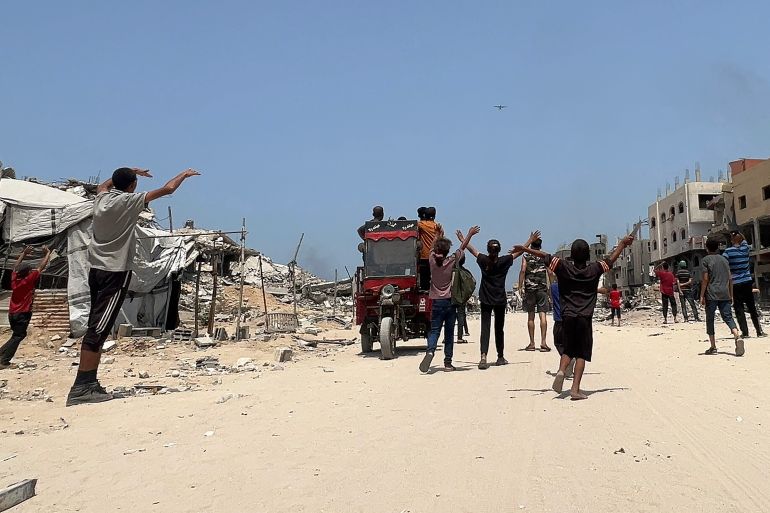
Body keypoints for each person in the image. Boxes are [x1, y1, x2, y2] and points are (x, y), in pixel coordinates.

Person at [66, 167, 200, 406]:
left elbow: (103, 186)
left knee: (96, 324)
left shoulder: (102, 199)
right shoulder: (128, 201)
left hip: (95, 269)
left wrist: (128, 169)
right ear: (132, 186)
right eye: (135, 181)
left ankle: (89, 381)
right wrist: (184, 174)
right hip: (114, 273)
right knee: (98, 328)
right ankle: (82, 386)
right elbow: (168, 189)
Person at [515, 234, 634, 400]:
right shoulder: (594, 269)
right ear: (588, 256)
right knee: (581, 354)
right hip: (584, 318)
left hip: (567, 316)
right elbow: (610, 261)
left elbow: (544, 256)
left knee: (568, 349)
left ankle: (561, 370)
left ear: (571, 255)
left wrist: (524, 248)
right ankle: (575, 389)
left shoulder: (564, 267)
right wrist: (622, 244)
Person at [461, 229, 540, 370]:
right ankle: (500, 356)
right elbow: (519, 252)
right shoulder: (504, 261)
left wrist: (465, 238)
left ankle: (483, 356)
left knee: (485, 328)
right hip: (499, 299)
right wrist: (529, 241)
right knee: (499, 329)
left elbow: (472, 250)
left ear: (488, 250)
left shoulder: (484, 260)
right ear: (499, 250)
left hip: (485, 298)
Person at [419, 227, 479, 373]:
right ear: (447, 251)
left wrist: (438, 235)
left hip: (436, 302)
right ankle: (447, 363)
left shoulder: (432, 261)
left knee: (434, 331)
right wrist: (469, 234)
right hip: (450, 302)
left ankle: (430, 351)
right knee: (449, 333)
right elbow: (461, 248)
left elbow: (432, 247)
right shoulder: (452, 261)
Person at [0, 246, 51, 368]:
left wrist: (24, 254)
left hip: (12, 313)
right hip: (22, 313)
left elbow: (15, 267)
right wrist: (47, 254)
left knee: (16, 335)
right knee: (19, 335)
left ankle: (2, 353)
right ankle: (4, 361)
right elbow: (41, 267)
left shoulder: (14, 279)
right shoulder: (27, 281)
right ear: (27, 273)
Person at [700, 237, 745, 356]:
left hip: (711, 293)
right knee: (728, 317)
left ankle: (713, 346)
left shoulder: (705, 260)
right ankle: (737, 335)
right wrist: (731, 294)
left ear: (707, 248)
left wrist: (701, 295)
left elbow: (705, 279)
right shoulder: (724, 260)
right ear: (718, 247)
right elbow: (730, 278)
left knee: (710, 319)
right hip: (725, 293)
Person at [723, 231, 765, 338]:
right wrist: (739, 233)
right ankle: (759, 331)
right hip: (747, 281)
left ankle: (745, 333)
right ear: (740, 239)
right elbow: (744, 238)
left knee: (739, 308)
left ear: (731, 240)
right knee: (752, 307)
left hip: (736, 283)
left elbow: (724, 263)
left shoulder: (728, 252)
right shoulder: (745, 248)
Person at [520, 237, 551, 351]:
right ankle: (543, 342)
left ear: (531, 246)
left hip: (530, 289)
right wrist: (551, 285)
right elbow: (550, 272)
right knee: (543, 315)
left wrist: (520, 285)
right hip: (542, 288)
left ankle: (532, 343)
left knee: (531, 316)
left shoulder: (526, 256)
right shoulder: (544, 256)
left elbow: (523, 270)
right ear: (540, 246)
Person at [550, 273, 575, 378]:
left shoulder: (553, 287)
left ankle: (567, 361)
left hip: (559, 320)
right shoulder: (572, 287)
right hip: (571, 318)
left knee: (558, 343)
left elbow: (551, 275)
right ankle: (569, 361)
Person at [417, 207, 443, 291]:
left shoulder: (421, 225)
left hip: (424, 257)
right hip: (436, 257)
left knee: (424, 282)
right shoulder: (439, 228)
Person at [454, 253, 471, 343]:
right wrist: (466, 296)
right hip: (461, 298)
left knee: (449, 318)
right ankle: (459, 337)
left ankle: (446, 337)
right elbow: (472, 284)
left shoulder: (450, 270)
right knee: (461, 317)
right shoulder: (465, 272)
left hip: (450, 297)